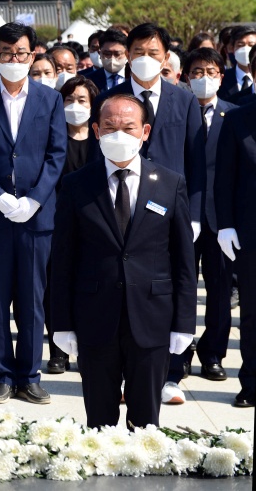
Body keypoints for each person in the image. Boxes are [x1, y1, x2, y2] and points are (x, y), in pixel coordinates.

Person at [52, 94, 195, 428]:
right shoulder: (76, 185)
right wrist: (61, 321)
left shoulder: (170, 184)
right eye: (110, 127)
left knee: (146, 422)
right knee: (99, 422)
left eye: (128, 127)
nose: (119, 134)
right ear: (96, 131)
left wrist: (184, 322)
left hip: (152, 318)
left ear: (145, 131)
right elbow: (61, 260)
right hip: (94, 317)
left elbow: (184, 261)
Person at [0, 23, 67, 405]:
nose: (14, 60)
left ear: (33, 54)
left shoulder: (50, 100)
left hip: (37, 217)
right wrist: (0, 198)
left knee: (32, 298)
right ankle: (2, 374)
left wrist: (34, 199)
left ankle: (30, 374)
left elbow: (57, 155)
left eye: (21, 53)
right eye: (6, 53)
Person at [160, 49, 236, 404]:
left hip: (220, 218)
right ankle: (180, 353)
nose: (204, 76)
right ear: (186, 77)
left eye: (211, 70)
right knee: (182, 289)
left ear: (221, 75)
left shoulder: (232, 115)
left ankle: (214, 354)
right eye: (196, 71)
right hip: (184, 215)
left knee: (220, 290)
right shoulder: (178, 111)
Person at [92, 23, 205, 235]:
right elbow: (96, 156)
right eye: (139, 52)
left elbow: (196, 161)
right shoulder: (107, 100)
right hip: (122, 199)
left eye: (153, 53)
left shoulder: (185, 100)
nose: (146, 59)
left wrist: (195, 216)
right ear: (128, 55)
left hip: (171, 200)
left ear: (165, 57)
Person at [43, 75, 100, 375]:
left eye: (82, 100)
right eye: (69, 99)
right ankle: (57, 351)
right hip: (56, 221)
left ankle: (86, 347)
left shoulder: (102, 139)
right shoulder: (51, 137)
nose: (75, 106)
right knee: (56, 286)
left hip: (92, 222)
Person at [215, 99, 256, 408]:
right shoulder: (238, 119)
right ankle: (251, 383)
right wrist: (226, 225)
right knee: (253, 314)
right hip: (250, 232)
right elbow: (225, 177)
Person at [218, 26, 255, 105]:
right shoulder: (221, 79)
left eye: (251, 45)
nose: (246, 49)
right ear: (232, 49)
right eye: (241, 45)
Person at [86, 29, 128, 93]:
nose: (112, 58)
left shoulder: (136, 77)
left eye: (117, 54)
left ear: (127, 54)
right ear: (100, 53)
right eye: (107, 54)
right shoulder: (88, 80)